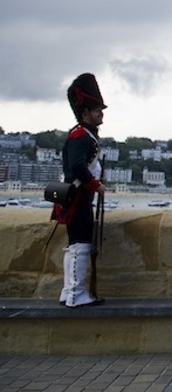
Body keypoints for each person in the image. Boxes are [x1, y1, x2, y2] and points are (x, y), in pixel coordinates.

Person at [57, 73, 107, 308]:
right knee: (81, 245)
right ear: (85, 112)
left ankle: (69, 291)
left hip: (76, 196)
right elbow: (78, 166)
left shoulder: (83, 134)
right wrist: (95, 185)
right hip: (78, 196)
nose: (101, 113)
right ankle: (76, 294)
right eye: (97, 109)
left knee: (75, 245)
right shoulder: (80, 135)